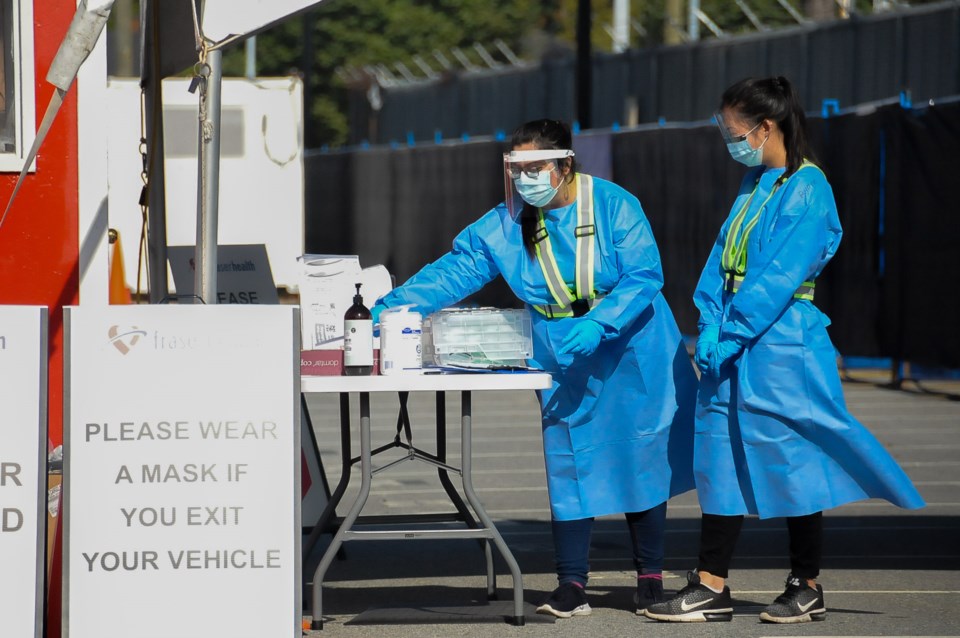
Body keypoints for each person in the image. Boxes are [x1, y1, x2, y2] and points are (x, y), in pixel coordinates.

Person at [373, 118, 697, 618]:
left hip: (632, 341)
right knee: (566, 455)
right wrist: (392, 308)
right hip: (559, 345)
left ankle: (650, 578)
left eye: (535, 167)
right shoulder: (506, 221)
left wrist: (602, 323)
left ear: (565, 165)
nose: (526, 179)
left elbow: (643, 275)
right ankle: (572, 584)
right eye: (517, 169)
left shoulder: (614, 205)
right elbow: (456, 270)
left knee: (642, 453)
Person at [643, 76, 926, 625]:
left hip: (782, 342)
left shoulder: (808, 189)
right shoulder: (756, 180)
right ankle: (711, 584)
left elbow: (777, 275)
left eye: (732, 131)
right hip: (733, 338)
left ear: (765, 127)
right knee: (717, 456)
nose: (729, 140)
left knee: (793, 454)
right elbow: (722, 256)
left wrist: (733, 328)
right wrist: (709, 320)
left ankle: (806, 582)